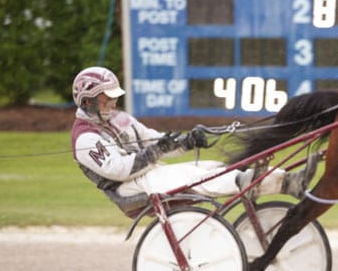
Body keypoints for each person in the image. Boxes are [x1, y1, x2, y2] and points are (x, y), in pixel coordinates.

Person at [70, 66, 314, 214]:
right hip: (128, 189)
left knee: (214, 169)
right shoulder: (86, 138)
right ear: (87, 100)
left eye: (113, 97)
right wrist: (156, 151)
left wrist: (187, 141)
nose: (112, 103)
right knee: (202, 178)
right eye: (106, 98)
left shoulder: (120, 119)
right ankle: (261, 183)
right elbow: (119, 170)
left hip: (149, 175)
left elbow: (154, 139)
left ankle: (287, 182)